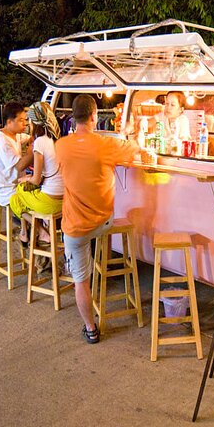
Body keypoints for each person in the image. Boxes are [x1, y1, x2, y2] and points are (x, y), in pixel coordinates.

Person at [56, 94, 146, 344]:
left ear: (73, 117)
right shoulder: (106, 145)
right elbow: (135, 148)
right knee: (98, 236)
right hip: (104, 222)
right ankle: (103, 267)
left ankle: (91, 329)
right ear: (95, 116)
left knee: (80, 282)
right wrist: (128, 132)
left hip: (75, 228)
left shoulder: (60, 146)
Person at [9, 101, 64, 246]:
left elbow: (36, 179)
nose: (27, 124)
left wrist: (25, 179)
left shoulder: (40, 142)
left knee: (15, 197)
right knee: (23, 192)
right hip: (64, 200)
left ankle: (40, 232)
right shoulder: (57, 140)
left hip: (50, 203)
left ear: (35, 121)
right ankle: (25, 233)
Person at [0, 101, 34, 233]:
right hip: (6, 189)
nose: (25, 124)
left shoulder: (14, 135)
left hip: (16, 184)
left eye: (25, 120)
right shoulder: (3, 142)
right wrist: (33, 150)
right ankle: (41, 231)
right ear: (9, 122)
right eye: (21, 121)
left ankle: (25, 232)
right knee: (35, 206)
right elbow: (20, 166)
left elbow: (28, 138)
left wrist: (33, 139)